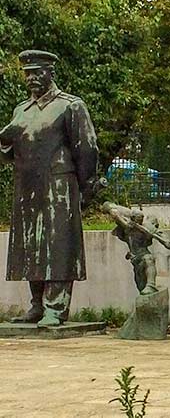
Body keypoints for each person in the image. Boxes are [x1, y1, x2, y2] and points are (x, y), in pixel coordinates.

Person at [0, 50, 99, 327]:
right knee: (29, 245)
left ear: (50, 73)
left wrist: (86, 184)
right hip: (27, 186)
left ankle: (56, 307)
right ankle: (36, 304)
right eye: (27, 73)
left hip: (59, 185)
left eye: (37, 72)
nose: (31, 78)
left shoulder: (70, 105)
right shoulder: (21, 110)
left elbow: (86, 148)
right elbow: (9, 152)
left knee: (57, 245)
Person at [102, 201, 170, 295]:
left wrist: (166, 241)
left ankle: (151, 285)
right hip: (134, 258)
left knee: (149, 260)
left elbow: (165, 240)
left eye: (141, 219)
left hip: (143, 253)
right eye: (137, 219)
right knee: (140, 285)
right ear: (133, 219)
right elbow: (116, 215)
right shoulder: (127, 229)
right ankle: (146, 294)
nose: (140, 221)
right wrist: (111, 208)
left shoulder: (148, 227)